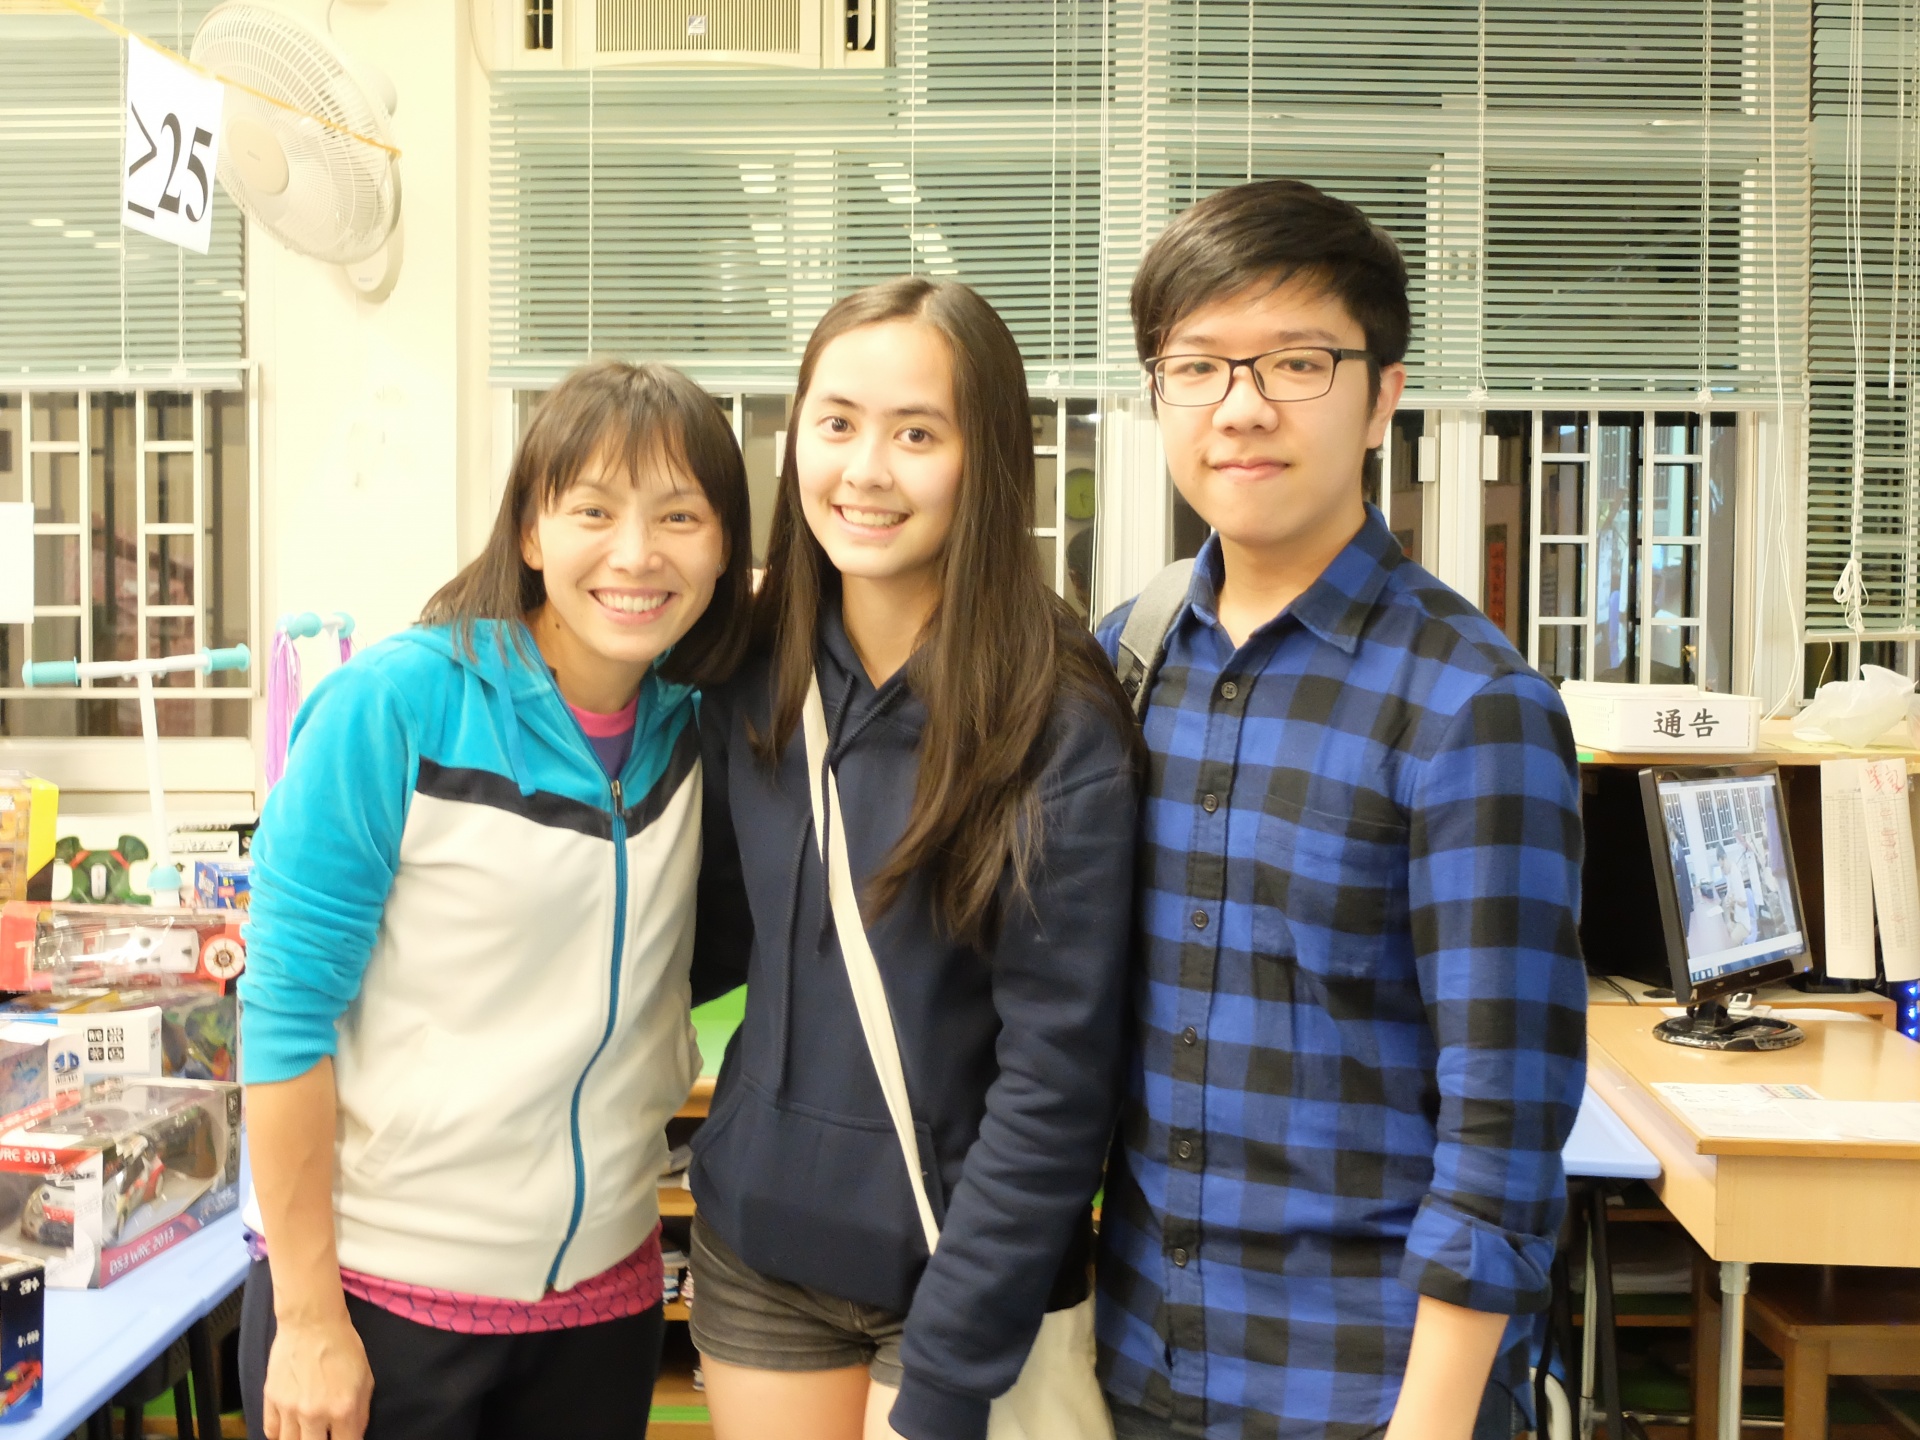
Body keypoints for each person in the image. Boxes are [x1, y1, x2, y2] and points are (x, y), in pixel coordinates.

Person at [1094, 179, 1588, 1440]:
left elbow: (1504, 1125)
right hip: (1138, 1368)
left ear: (1381, 397)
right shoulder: (1127, 658)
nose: (1242, 406)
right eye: (1198, 366)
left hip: (1364, 1392)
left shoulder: (1473, 704)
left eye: (1297, 362)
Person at [237, 360, 754, 1440]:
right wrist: (307, 1316)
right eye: (593, 511)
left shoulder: (702, 733)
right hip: (381, 1303)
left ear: (724, 548)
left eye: (679, 516)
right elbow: (284, 1022)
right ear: (529, 531)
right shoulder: (394, 707)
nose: (636, 554)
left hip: (603, 1303)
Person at [687, 275, 1141, 1440]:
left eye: (917, 434)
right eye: (836, 423)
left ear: (986, 458)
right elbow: (703, 938)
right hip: (760, 1253)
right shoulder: (750, 671)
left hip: (963, 1275)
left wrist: (948, 1369)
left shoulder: (1055, 720)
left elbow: (1057, 1083)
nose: (866, 470)